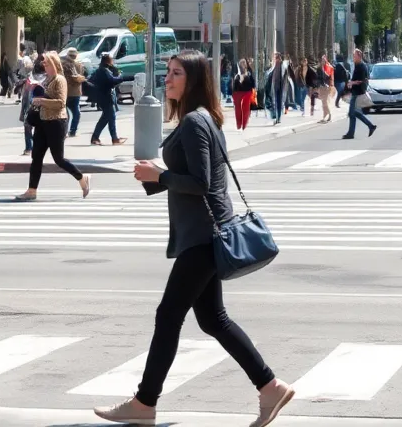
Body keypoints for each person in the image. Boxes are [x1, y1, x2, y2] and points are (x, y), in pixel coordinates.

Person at [96, 51, 293, 427]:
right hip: (204, 233)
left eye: (175, 74)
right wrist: (158, 178)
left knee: (168, 316)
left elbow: (201, 182)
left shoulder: (194, 123)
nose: (167, 80)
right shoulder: (199, 120)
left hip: (204, 236)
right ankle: (269, 386)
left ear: (194, 80)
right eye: (168, 73)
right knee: (213, 319)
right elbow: (198, 177)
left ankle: (144, 403)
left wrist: (161, 176)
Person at [17, 51, 91, 202]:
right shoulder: (47, 79)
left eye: (46, 62)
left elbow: (61, 103)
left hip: (56, 122)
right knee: (36, 157)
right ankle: (32, 190)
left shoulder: (60, 80)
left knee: (59, 159)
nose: (43, 64)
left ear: (54, 64)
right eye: (43, 62)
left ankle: (82, 178)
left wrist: (41, 101)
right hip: (42, 122)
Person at [89, 54, 128, 146]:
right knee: (110, 117)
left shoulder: (103, 70)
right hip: (105, 98)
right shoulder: (103, 71)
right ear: (107, 61)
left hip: (103, 97)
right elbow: (112, 81)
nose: (112, 62)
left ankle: (101, 137)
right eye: (111, 60)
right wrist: (120, 77)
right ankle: (112, 139)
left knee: (107, 118)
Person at [341, 49, 377, 140]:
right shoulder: (357, 65)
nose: (353, 57)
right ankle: (352, 133)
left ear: (359, 56)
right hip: (355, 92)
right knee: (352, 113)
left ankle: (369, 126)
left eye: (354, 55)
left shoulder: (361, 66)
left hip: (358, 92)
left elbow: (361, 80)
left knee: (352, 113)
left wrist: (352, 83)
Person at [61, 48, 87, 138]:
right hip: (75, 92)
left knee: (65, 113)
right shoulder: (79, 65)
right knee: (76, 113)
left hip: (65, 92)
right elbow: (83, 75)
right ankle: (73, 130)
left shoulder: (62, 65)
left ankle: (64, 131)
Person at [231, 58, 257, 131]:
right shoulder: (236, 71)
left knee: (245, 107)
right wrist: (239, 79)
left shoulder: (249, 71)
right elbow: (233, 82)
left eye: (244, 63)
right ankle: (239, 124)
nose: (243, 64)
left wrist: (253, 87)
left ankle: (244, 125)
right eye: (241, 63)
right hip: (237, 92)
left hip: (247, 91)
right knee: (238, 109)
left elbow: (252, 82)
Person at [315, 55, 333, 124]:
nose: (322, 61)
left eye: (323, 60)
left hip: (324, 87)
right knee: (324, 102)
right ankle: (325, 116)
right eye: (322, 60)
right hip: (323, 87)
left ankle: (329, 115)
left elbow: (325, 78)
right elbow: (319, 78)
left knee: (325, 102)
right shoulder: (321, 68)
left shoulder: (324, 68)